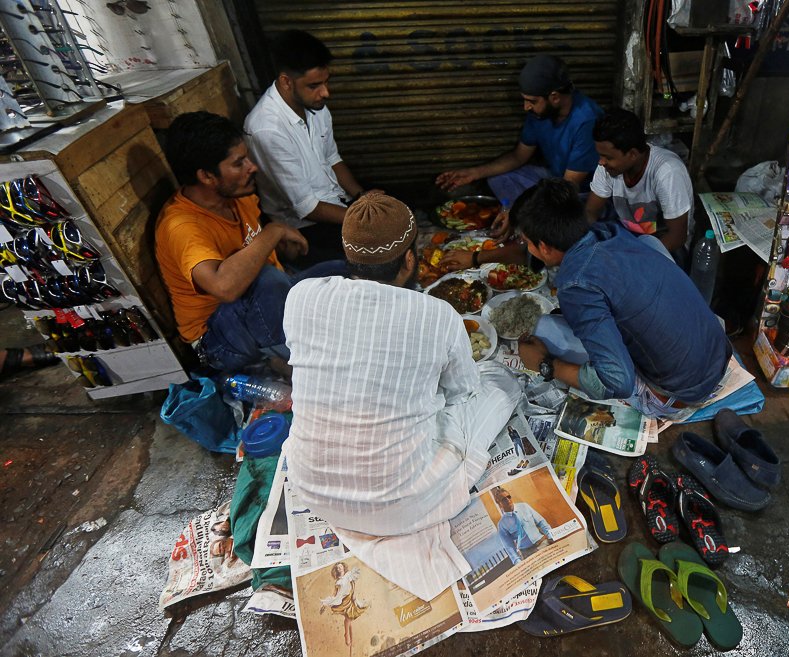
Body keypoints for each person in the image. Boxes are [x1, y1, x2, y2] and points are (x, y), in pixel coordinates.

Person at [282, 193, 523, 601]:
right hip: (401, 504)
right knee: (496, 383)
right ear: (409, 260)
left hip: (313, 489)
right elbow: (462, 390)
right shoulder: (436, 315)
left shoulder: (301, 295)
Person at [511, 179, 731, 419]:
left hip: (680, 393)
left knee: (547, 329)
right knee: (649, 242)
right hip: (717, 356)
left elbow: (617, 382)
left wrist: (546, 365)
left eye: (527, 243)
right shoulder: (610, 233)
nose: (528, 249)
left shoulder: (575, 284)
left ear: (543, 247)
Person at [155, 111, 345, 372]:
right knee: (268, 280)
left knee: (342, 269)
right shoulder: (182, 226)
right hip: (219, 340)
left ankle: (308, 350)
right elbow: (225, 287)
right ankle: (303, 369)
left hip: (259, 310)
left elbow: (253, 251)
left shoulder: (237, 196)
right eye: (239, 162)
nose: (251, 166)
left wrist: (280, 249)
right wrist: (274, 232)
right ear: (207, 177)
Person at [244, 30, 378, 264]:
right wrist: (361, 217)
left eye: (326, 82)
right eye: (315, 85)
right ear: (286, 81)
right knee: (380, 253)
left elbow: (333, 159)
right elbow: (308, 208)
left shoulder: (317, 108)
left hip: (337, 203)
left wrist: (362, 197)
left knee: (397, 216)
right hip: (307, 227)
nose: (325, 92)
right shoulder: (267, 130)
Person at [436, 54, 603, 210]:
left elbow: (569, 185)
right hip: (553, 179)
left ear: (555, 97)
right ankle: (521, 214)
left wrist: (518, 210)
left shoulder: (586, 120)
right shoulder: (540, 112)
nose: (526, 107)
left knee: (556, 209)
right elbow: (519, 157)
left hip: (580, 193)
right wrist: (474, 173)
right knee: (498, 178)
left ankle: (523, 217)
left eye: (531, 101)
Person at [585, 108, 695, 264]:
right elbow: (591, 211)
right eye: (600, 155)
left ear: (632, 154)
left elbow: (677, 237)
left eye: (607, 157)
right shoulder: (607, 167)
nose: (601, 162)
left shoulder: (667, 173)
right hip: (629, 235)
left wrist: (632, 260)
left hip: (665, 245)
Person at [491, 486, 554, 564]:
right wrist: (517, 561)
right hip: (527, 553)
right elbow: (509, 546)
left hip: (542, 544)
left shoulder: (524, 506)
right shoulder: (502, 524)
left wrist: (551, 536)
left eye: (508, 497)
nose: (508, 500)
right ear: (499, 503)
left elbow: (541, 522)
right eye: (504, 499)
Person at [320, 561, 367, 657]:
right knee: (348, 619)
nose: (339, 569)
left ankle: (349, 637)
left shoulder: (349, 576)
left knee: (349, 618)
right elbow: (335, 594)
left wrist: (354, 595)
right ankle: (347, 635)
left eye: (340, 567)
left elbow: (353, 585)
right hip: (343, 601)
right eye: (337, 568)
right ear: (336, 570)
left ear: (343, 568)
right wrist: (327, 603)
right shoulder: (338, 582)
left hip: (350, 599)